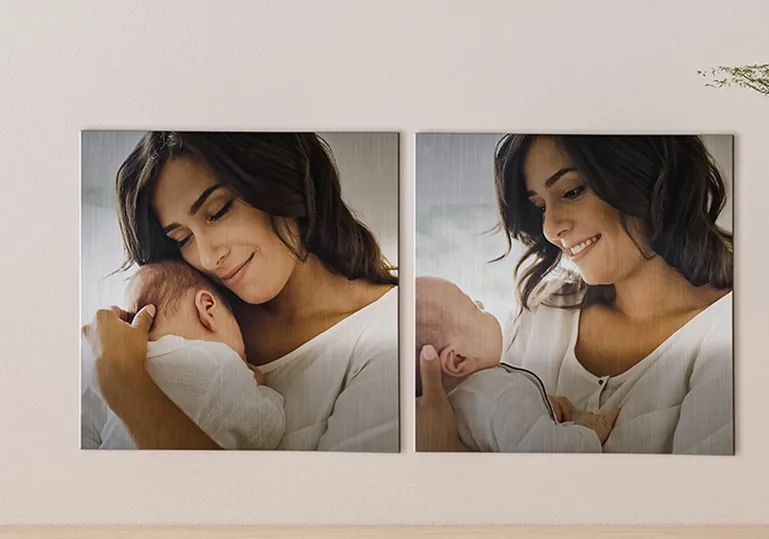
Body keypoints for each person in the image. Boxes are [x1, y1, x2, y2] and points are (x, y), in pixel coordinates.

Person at [81, 132, 399, 451]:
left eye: (218, 211)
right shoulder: (184, 322)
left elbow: (331, 501)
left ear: (279, 180)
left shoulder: (387, 333)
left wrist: (125, 385)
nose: (207, 258)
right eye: (182, 238)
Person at [417, 134, 733, 454]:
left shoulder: (727, 337)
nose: (550, 228)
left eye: (571, 191)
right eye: (539, 207)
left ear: (643, 176)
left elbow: (697, 500)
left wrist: (448, 451)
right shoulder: (545, 308)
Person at [82, 260, 285, 450]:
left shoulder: (108, 368)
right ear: (207, 308)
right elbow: (266, 431)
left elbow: (86, 430)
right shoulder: (220, 364)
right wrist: (259, 385)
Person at [415, 275, 619, 452]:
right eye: (474, 307)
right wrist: (587, 432)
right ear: (458, 359)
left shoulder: (458, 404)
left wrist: (538, 409)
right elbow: (548, 453)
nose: (481, 303)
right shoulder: (501, 396)